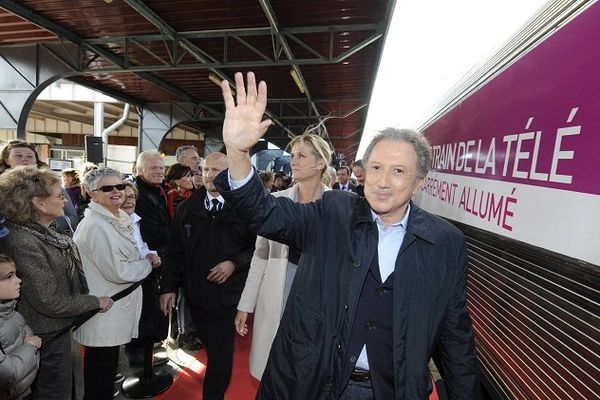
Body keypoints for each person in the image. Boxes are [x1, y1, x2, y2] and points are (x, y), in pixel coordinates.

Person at [215, 72, 480, 399]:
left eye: (398, 171)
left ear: (420, 182)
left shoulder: (445, 243)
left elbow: (455, 335)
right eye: (377, 167)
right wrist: (237, 153)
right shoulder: (332, 211)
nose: (383, 181)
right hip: (313, 382)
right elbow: (265, 213)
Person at [0, 166, 112, 400]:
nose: (65, 200)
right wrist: (93, 302)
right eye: (60, 195)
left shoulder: (42, 231)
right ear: (38, 203)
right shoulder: (22, 242)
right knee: (54, 392)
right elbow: (48, 301)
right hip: (45, 332)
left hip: (53, 330)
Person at [234, 133, 332, 380]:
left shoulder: (339, 206)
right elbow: (259, 257)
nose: (293, 161)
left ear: (320, 163)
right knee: (275, 368)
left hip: (320, 294)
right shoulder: (275, 202)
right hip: (279, 288)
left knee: (311, 371)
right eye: (293, 155)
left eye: (301, 155)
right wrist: (246, 305)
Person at [160, 152, 256, 400]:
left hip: (229, 298)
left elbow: (256, 249)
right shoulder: (187, 209)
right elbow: (174, 251)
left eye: (216, 170)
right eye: (205, 170)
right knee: (213, 350)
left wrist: (234, 263)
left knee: (219, 354)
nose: (209, 175)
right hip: (196, 297)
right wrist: (168, 287)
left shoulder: (245, 209)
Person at [73, 167, 156, 400]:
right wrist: (148, 263)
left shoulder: (114, 217)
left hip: (112, 310)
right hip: (104, 312)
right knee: (100, 371)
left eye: (120, 185)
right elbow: (119, 272)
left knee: (106, 367)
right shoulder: (96, 226)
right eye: (107, 188)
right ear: (93, 194)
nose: (116, 191)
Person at [128, 151, 170, 365]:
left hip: (154, 257)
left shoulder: (156, 189)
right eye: (153, 168)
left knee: (151, 311)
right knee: (143, 311)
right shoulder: (139, 194)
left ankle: (145, 351)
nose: (159, 171)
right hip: (144, 260)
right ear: (139, 170)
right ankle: (139, 357)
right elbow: (149, 231)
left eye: (161, 168)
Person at [0, 140, 79, 231]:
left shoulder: (50, 184)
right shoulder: (2, 186)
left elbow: (72, 216)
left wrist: (46, 224)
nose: (24, 159)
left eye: (29, 156)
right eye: (18, 156)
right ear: (6, 160)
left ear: (36, 161)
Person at [0, 253, 41, 400]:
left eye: (16, 274)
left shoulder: (8, 309)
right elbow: (6, 375)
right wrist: (30, 346)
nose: (19, 280)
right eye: (9, 276)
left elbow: (22, 327)